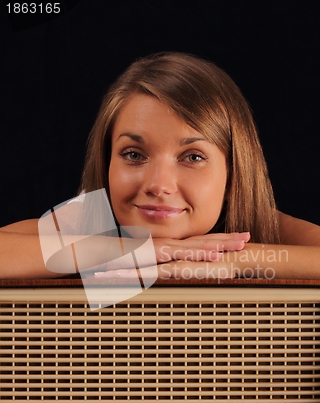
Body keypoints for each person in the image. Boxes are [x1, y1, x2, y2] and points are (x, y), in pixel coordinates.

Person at [1, 52, 320, 280]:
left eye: (193, 157)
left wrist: (234, 259)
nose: (158, 184)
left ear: (233, 176)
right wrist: (132, 250)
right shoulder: (88, 222)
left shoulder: (266, 225)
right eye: (134, 155)